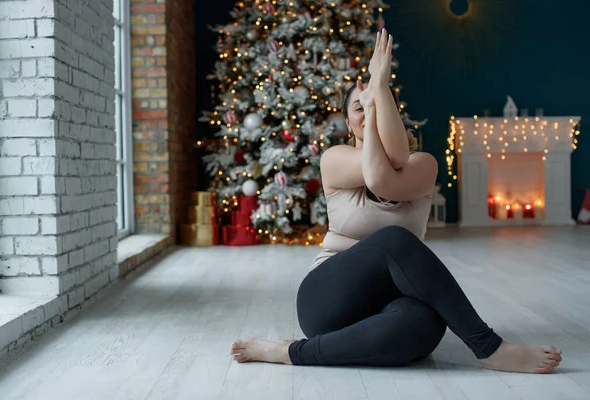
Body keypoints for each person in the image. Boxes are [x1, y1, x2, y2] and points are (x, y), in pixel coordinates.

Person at [230, 29, 562, 374]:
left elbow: (393, 166)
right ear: (347, 123)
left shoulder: (424, 164)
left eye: (377, 105)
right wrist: (376, 101)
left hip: (392, 301)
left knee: (427, 325)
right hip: (327, 298)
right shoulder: (335, 158)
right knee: (392, 240)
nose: (368, 109)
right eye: (359, 107)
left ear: (394, 116)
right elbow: (377, 178)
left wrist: (380, 91)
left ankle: (290, 352)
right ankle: (488, 347)